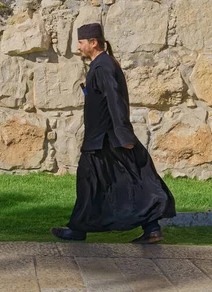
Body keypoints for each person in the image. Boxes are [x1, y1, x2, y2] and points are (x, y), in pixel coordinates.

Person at [51, 23, 176, 244]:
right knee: (127, 181)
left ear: (93, 42)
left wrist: (124, 136)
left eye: (81, 42)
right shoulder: (101, 65)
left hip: (105, 140)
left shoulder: (103, 66)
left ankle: (78, 230)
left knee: (90, 181)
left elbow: (115, 101)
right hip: (103, 138)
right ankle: (152, 228)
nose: (78, 47)